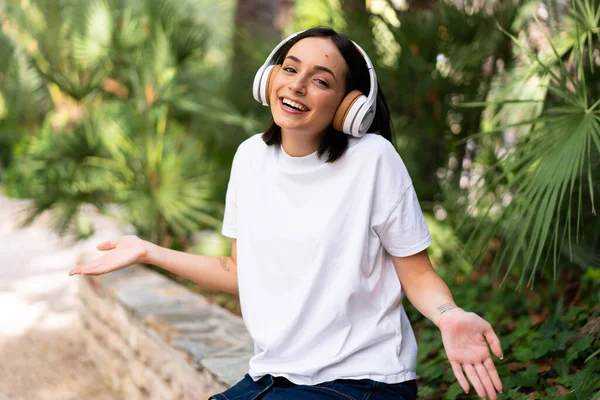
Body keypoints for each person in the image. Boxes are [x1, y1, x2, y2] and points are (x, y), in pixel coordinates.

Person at [70, 27, 504, 400]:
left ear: (349, 104)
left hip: (362, 380)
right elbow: (237, 270)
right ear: (270, 78)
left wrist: (450, 316)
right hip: (274, 377)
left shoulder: (373, 160)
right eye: (291, 69)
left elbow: (418, 274)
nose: (297, 85)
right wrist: (147, 251)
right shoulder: (249, 158)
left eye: (320, 80)